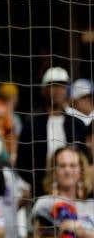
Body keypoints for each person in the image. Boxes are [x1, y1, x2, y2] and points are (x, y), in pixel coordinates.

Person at [18, 67, 89, 196]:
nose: (58, 91)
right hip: (40, 191)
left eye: (62, 86)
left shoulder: (77, 125)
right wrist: (36, 182)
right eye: (53, 86)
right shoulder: (32, 125)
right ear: (44, 90)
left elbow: (86, 157)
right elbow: (21, 162)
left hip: (75, 191)